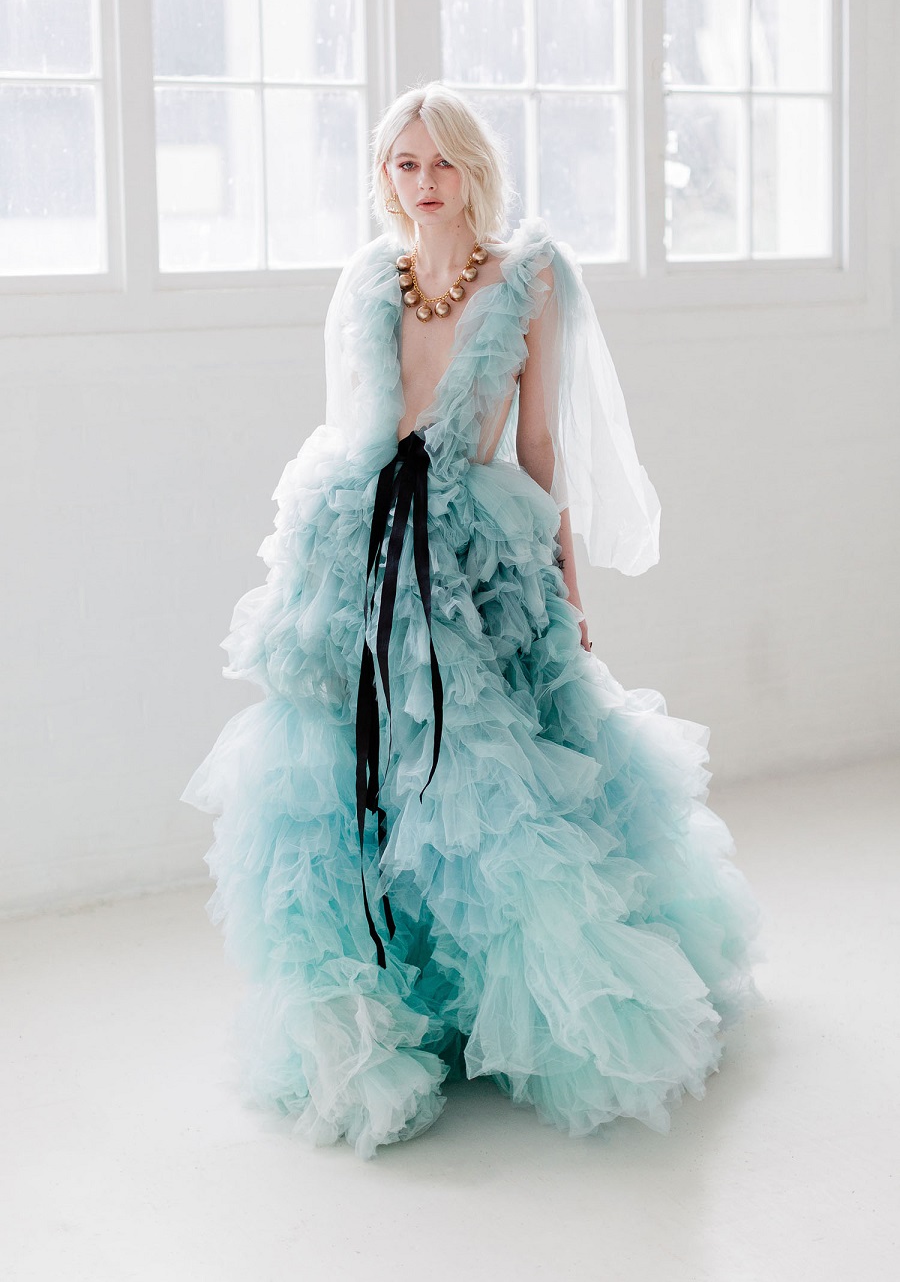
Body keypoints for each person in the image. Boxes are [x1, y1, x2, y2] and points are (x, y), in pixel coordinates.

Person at [181, 81, 764, 1161]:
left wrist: (569, 587)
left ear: (475, 168)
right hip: (358, 536)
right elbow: (356, 423)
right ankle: (397, 998)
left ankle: (543, 1004)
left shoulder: (529, 277)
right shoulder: (371, 277)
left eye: (442, 161)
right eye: (405, 164)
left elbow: (538, 446)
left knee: (490, 779)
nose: (424, 182)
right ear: (385, 175)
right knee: (352, 767)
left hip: (472, 546)